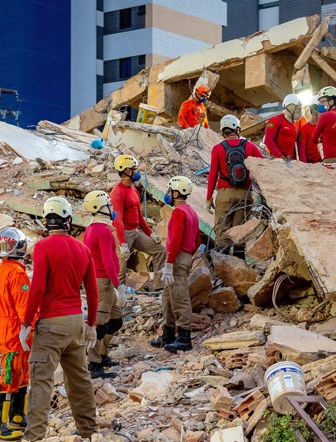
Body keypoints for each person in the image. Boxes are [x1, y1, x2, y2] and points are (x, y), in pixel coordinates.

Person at [20, 197, 99, 440]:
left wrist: (26, 322)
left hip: (52, 323)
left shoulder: (42, 247)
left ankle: (34, 436)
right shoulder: (82, 248)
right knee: (79, 379)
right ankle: (89, 431)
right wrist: (92, 324)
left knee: (42, 380)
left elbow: (37, 288)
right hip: (76, 321)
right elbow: (93, 291)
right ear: (68, 220)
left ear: (46, 220)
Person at [0, 227, 32, 441]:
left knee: (21, 373)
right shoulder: (16, 273)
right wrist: (29, 326)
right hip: (14, 328)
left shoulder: (3, 270)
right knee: (11, 373)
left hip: (6, 325)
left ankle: (17, 416)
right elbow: (24, 306)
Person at [151, 176, 201, 353]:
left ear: (176, 193)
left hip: (177, 257)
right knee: (168, 296)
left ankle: (184, 338)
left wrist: (171, 263)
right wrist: (187, 256)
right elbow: (197, 240)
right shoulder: (192, 212)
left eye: (170, 191)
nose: (168, 194)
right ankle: (168, 333)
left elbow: (176, 240)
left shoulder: (179, 213)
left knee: (179, 296)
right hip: (183, 256)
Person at [82, 190, 127, 380]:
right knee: (99, 325)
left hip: (100, 280)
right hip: (103, 282)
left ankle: (101, 354)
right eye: (109, 205)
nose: (112, 208)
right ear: (100, 209)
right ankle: (94, 364)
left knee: (115, 321)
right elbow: (108, 261)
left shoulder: (92, 229)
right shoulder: (103, 231)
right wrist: (118, 285)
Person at [206, 114, 264, 254]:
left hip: (225, 193)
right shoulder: (250, 147)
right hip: (245, 194)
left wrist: (209, 198)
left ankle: (223, 268)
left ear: (222, 132)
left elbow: (213, 174)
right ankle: (239, 267)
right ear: (238, 129)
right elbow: (264, 168)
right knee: (240, 235)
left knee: (222, 234)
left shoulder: (218, 149)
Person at [110, 154, 166, 289]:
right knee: (121, 269)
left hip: (135, 232)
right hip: (123, 233)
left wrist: (150, 233)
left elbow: (139, 216)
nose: (137, 171)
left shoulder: (133, 190)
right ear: (127, 171)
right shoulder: (117, 192)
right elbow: (118, 220)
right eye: (134, 169)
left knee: (160, 250)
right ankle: (118, 297)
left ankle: (159, 288)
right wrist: (123, 244)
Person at [264, 94, 301, 160]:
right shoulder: (275, 120)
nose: (299, 111)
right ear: (290, 107)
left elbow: (293, 146)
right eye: (298, 108)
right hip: (277, 160)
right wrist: (279, 156)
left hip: (289, 160)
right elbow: (268, 140)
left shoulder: (293, 125)